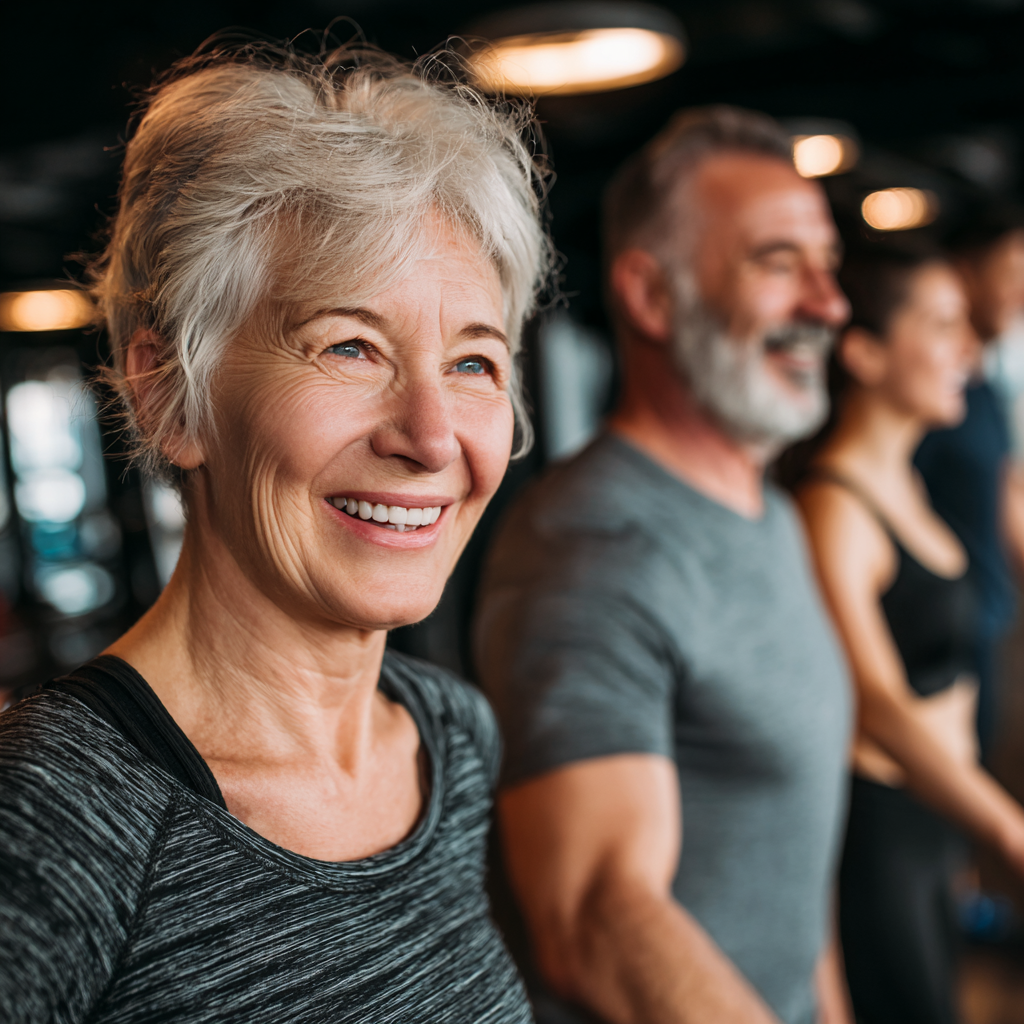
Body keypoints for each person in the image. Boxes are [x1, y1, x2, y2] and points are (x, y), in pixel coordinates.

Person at [0, 43, 549, 1024]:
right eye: (350, 346)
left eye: (474, 363)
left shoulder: (448, 737)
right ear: (170, 394)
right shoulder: (51, 817)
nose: (430, 437)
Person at [474, 106, 852, 1024]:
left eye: (827, 266)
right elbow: (594, 916)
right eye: (777, 263)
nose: (828, 305)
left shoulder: (771, 516)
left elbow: (794, 875)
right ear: (651, 296)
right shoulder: (593, 549)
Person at [793, 244, 1024, 1024]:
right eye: (942, 324)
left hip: (935, 817)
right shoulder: (834, 505)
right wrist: (1003, 824)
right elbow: (877, 703)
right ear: (862, 352)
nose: (968, 348)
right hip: (881, 830)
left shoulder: (909, 480)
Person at [914, 209, 1024, 756]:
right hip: (937, 636)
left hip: (984, 623)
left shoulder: (979, 390)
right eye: (1011, 269)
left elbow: (1008, 498)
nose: (1020, 290)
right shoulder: (930, 400)